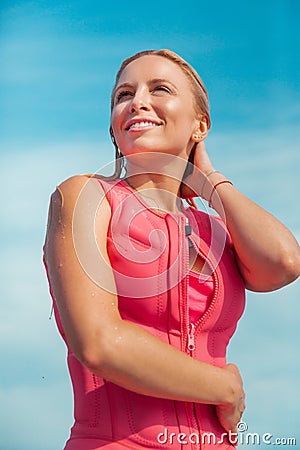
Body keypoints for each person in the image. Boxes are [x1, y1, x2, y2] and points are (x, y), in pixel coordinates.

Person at [43, 49, 300, 449]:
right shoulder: (84, 196)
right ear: (114, 124)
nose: (138, 101)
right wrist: (224, 387)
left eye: (159, 88)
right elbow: (100, 342)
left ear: (200, 125)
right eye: (123, 95)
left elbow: (284, 263)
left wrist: (209, 179)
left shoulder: (215, 228)